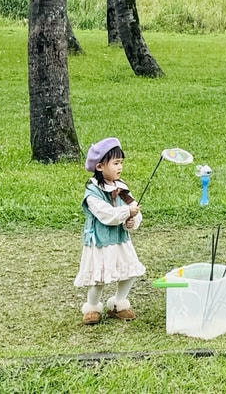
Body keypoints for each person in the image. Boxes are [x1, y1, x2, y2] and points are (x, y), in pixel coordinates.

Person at [74, 137, 146, 325]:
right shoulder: (92, 191)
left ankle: (119, 303)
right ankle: (92, 306)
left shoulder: (121, 187)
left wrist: (132, 219)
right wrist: (125, 212)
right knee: (100, 276)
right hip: (100, 241)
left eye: (121, 162)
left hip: (120, 239)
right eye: (115, 163)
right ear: (99, 167)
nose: (120, 167)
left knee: (129, 270)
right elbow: (105, 214)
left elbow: (133, 207)